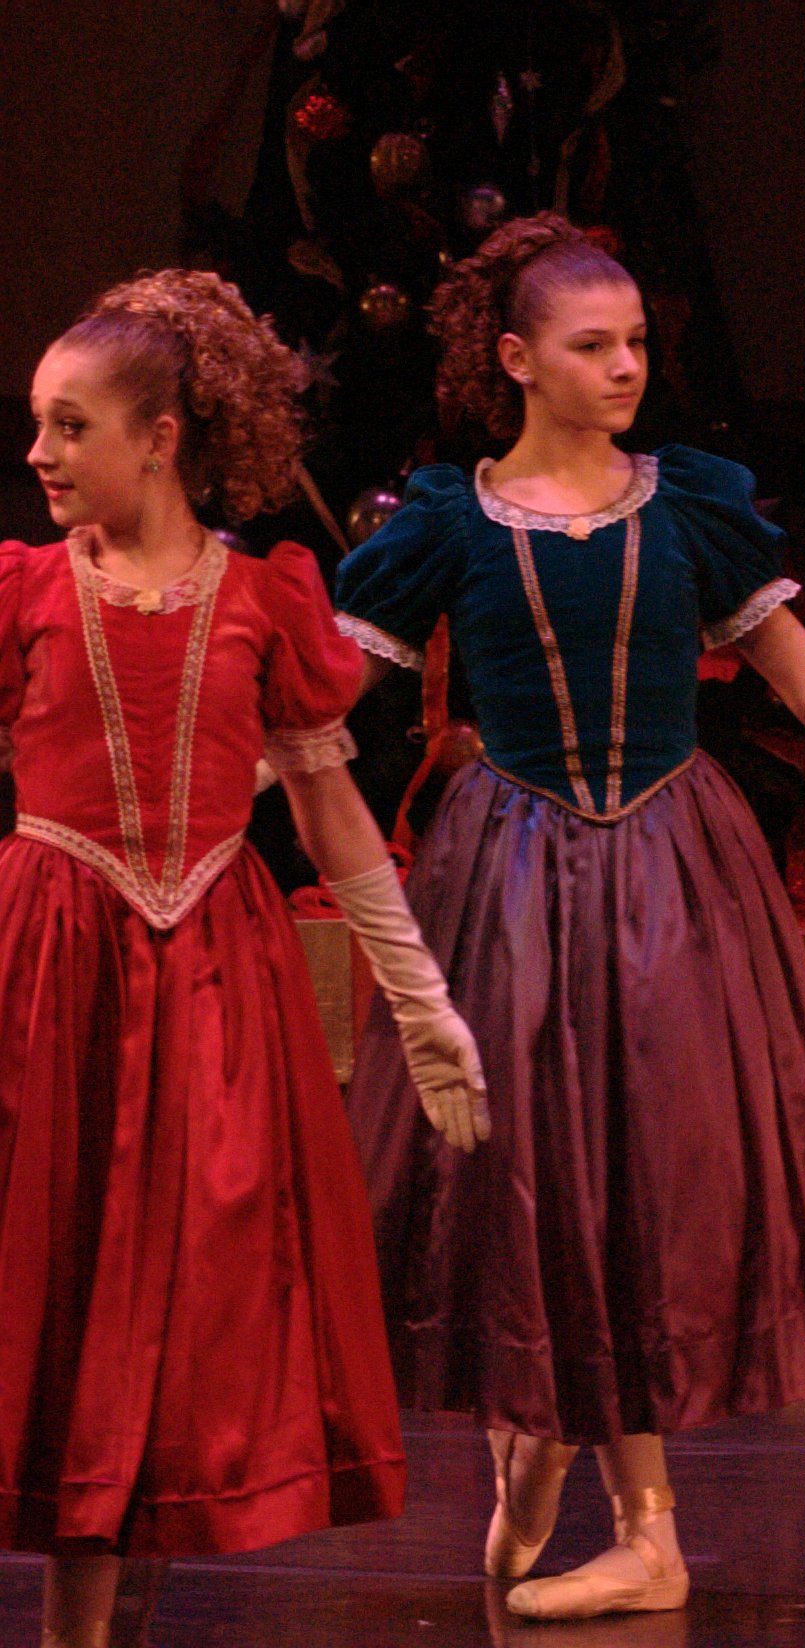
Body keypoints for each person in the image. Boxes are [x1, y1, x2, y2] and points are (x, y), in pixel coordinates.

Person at [333, 215, 805, 1621]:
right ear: (516, 359)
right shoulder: (448, 521)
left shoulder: (686, 508)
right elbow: (319, 705)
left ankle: (642, 1526)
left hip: (669, 869)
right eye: (591, 346)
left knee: (640, 1168)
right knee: (530, 1162)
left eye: (636, 344)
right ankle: (541, 1424)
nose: (625, 368)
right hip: (510, 873)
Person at [1, 271, 486, 1648]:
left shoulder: (263, 603)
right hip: (53, 975)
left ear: (159, 438)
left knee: (189, 1314)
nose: (38, 452)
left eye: (70, 425)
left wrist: (423, 1004)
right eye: (38, 423)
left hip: (214, 986)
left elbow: (332, 815)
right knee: (66, 1286)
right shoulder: (26, 593)